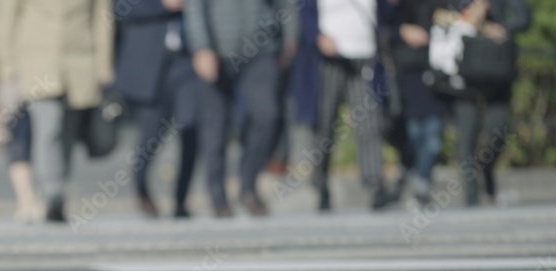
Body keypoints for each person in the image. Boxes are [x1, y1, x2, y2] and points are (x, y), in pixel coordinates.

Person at [0, 0, 115, 223]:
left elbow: (102, 19)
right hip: (39, 61)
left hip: (80, 61)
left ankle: (58, 186)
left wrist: (104, 66)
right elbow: (8, 17)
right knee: (49, 128)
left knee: (68, 132)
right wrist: (6, 63)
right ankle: (53, 192)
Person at [184, 0, 298, 218]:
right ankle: (218, 198)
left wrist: (290, 37)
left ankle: (248, 185)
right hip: (217, 50)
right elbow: (194, 7)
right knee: (215, 127)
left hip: (262, 49)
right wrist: (201, 47)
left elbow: (286, 4)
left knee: (268, 116)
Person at [297, 0, 396, 211]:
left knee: (369, 124)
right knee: (325, 126)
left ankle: (374, 183)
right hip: (330, 59)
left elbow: (387, 11)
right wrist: (317, 36)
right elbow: (304, 12)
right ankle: (321, 183)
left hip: (365, 57)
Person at [114, 0, 199, 219]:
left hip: (187, 62)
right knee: (151, 135)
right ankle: (141, 188)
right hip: (149, 64)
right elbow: (122, 9)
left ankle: (181, 199)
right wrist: (161, 5)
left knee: (190, 127)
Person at [447, 0, 531, 206]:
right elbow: (440, 14)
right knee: (467, 135)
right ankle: (471, 193)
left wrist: (503, 28)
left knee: (498, 131)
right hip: (466, 77)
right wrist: (477, 22)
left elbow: (524, 17)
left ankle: (488, 171)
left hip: (497, 74)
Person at [0, 0, 42, 224]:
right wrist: (10, 43)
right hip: (14, 68)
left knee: (48, 132)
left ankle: (46, 194)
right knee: (18, 131)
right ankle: (26, 199)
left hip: (47, 64)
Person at [394, 0, 450, 205]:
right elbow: (384, 20)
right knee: (414, 134)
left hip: (437, 68)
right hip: (410, 70)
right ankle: (410, 172)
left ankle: (422, 183)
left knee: (433, 137)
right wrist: (402, 30)